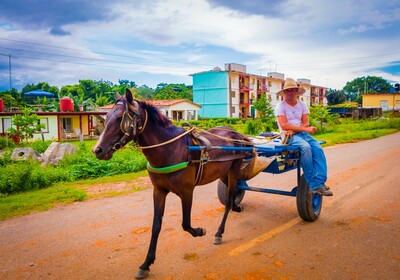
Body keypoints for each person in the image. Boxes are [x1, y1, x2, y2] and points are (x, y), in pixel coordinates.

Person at [274, 78, 332, 196]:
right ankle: (313, 184)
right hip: (288, 136)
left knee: (318, 149)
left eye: (292, 90)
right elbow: (284, 125)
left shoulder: (302, 105)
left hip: (299, 134)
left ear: (296, 91)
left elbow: (305, 122)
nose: (290, 93)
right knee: (306, 148)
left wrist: (299, 130)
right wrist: (304, 129)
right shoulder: (281, 106)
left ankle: (319, 182)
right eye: (288, 90)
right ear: (284, 93)